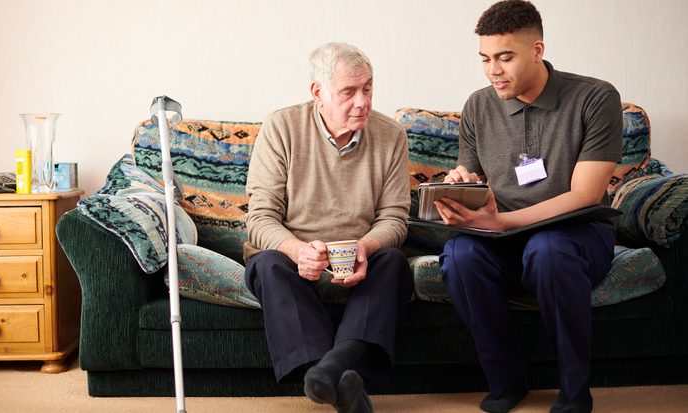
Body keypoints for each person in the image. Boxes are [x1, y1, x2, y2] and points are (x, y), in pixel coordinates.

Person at [437, 1, 623, 413]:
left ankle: (575, 391)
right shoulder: (478, 106)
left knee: (549, 250)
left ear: (537, 49)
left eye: (505, 57)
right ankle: (507, 382)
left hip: (576, 233)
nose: (493, 71)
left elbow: (585, 195)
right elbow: (472, 175)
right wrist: (460, 185)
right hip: (504, 236)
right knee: (459, 254)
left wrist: (501, 221)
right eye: (485, 59)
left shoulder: (595, 97)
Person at [244, 42, 413, 413]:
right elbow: (259, 218)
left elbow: (394, 218)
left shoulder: (391, 135)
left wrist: (365, 248)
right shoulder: (281, 127)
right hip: (294, 258)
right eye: (348, 92)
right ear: (317, 93)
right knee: (267, 264)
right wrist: (298, 251)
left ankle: (329, 371)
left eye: (367, 88)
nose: (362, 102)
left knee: (394, 263)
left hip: (359, 259)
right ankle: (339, 376)